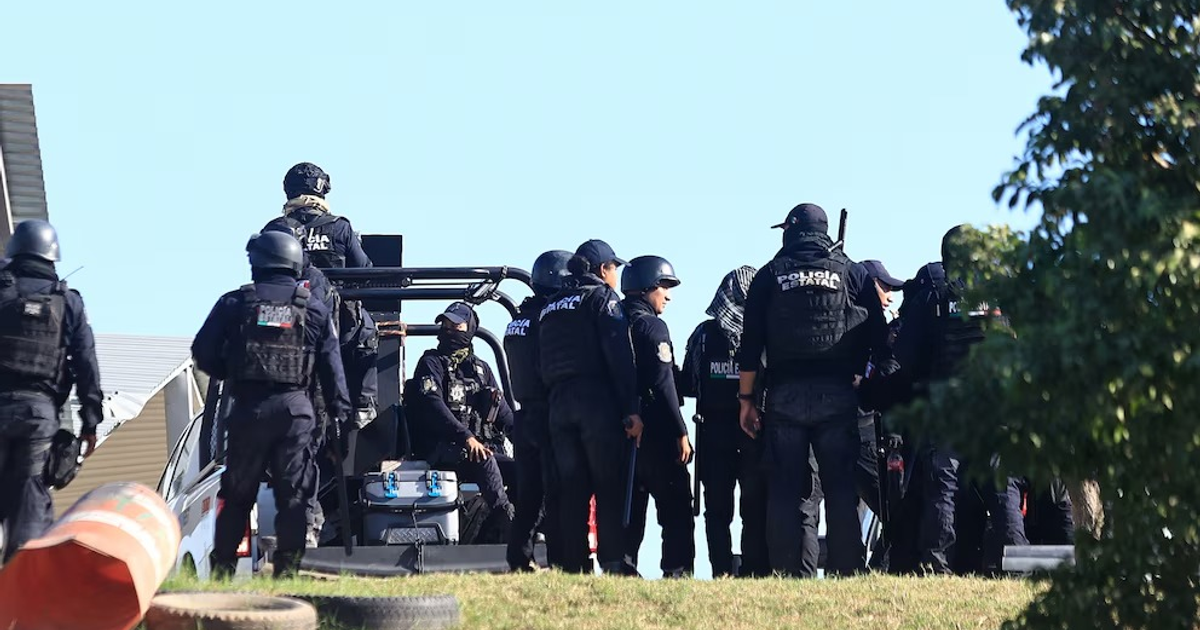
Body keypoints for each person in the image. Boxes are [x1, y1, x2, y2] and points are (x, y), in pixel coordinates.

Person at [737, 203, 890, 577]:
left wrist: (747, 401)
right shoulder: (852, 272)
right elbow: (880, 337)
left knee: (787, 490)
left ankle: (788, 574)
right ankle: (847, 571)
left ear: (790, 230)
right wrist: (862, 379)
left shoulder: (770, 275)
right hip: (838, 395)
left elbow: (750, 343)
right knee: (840, 489)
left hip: (785, 396)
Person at [864, 224, 1027, 575]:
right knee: (1003, 489)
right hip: (995, 403)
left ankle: (936, 567)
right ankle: (1017, 566)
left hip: (947, 405)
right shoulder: (1002, 292)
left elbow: (907, 354)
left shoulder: (936, 293)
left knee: (942, 488)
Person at [193, 231, 349, 577]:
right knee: (293, 496)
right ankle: (288, 574)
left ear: (256, 263)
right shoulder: (315, 309)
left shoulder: (234, 304)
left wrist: (232, 373)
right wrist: (340, 422)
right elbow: (333, 372)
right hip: (296, 411)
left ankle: (223, 571)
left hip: (249, 407)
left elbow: (202, 352)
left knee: (237, 494)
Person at [538, 239, 643, 576]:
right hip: (595, 403)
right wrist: (631, 408)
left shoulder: (551, 305)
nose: (617, 276)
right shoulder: (602, 299)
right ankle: (613, 562)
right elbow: (620, 357)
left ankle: (574, 565)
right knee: (607, 485)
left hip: (558, 404)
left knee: (572, 491)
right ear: (602, 270)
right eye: (615, 268)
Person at [0, 220, 103, 563]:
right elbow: (86, 361)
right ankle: (19, 590)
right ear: (53, 256)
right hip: (38, 416)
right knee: (30, 504)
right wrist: (90, 422)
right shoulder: (67, 301)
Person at [680, 265, 770, 578]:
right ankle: (754, 569)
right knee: (753, 506)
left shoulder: (704, 335)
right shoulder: (764, 333)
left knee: (717, 510)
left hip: (713, 433)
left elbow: (689, 382)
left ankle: (721, 571)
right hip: (753, 432)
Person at [407, 302, 517, 538]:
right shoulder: (431, 363)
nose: (448, 330)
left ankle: (524, 528)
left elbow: (504, 413)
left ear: (469, 329)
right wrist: (466, 437)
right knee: (485, 460)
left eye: (455, 325)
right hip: (443, 450)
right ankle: (507, 522)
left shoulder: (482, 369)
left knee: (522, 470)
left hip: (479, 451)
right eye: (445, 324)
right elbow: (433, 405)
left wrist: (530, 445)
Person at [619, 255, 695, 578]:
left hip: (622, 431)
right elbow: (663, 383)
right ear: (648, 287)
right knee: (677, 507)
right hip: (656, 432)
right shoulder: (652, 326)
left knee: (629, 510)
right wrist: (680, 432)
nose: (668, 295)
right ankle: (676, 573)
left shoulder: (613, 321)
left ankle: (622, 571)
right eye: (664, 286)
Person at [504, 250, 572, 572]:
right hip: (546, 414)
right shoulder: (547, 321)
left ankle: (519, 558)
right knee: (555, 493)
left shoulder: (515, 321)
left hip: (522, 415)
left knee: (528, 496)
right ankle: (560, 560)